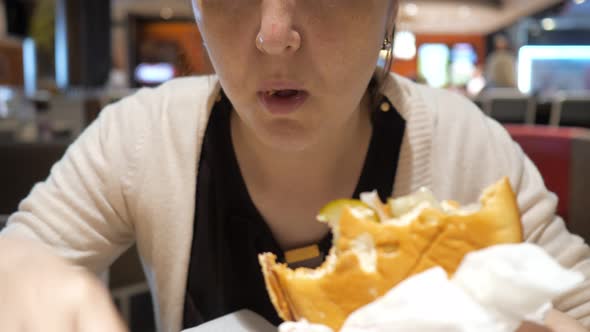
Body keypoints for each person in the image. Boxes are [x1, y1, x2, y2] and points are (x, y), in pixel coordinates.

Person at [0, 1, 589, 331]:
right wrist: (25, 275)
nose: (274, 35)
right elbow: (21, 254)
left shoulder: (469, 150)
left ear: (390, 11)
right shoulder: (142, 139)